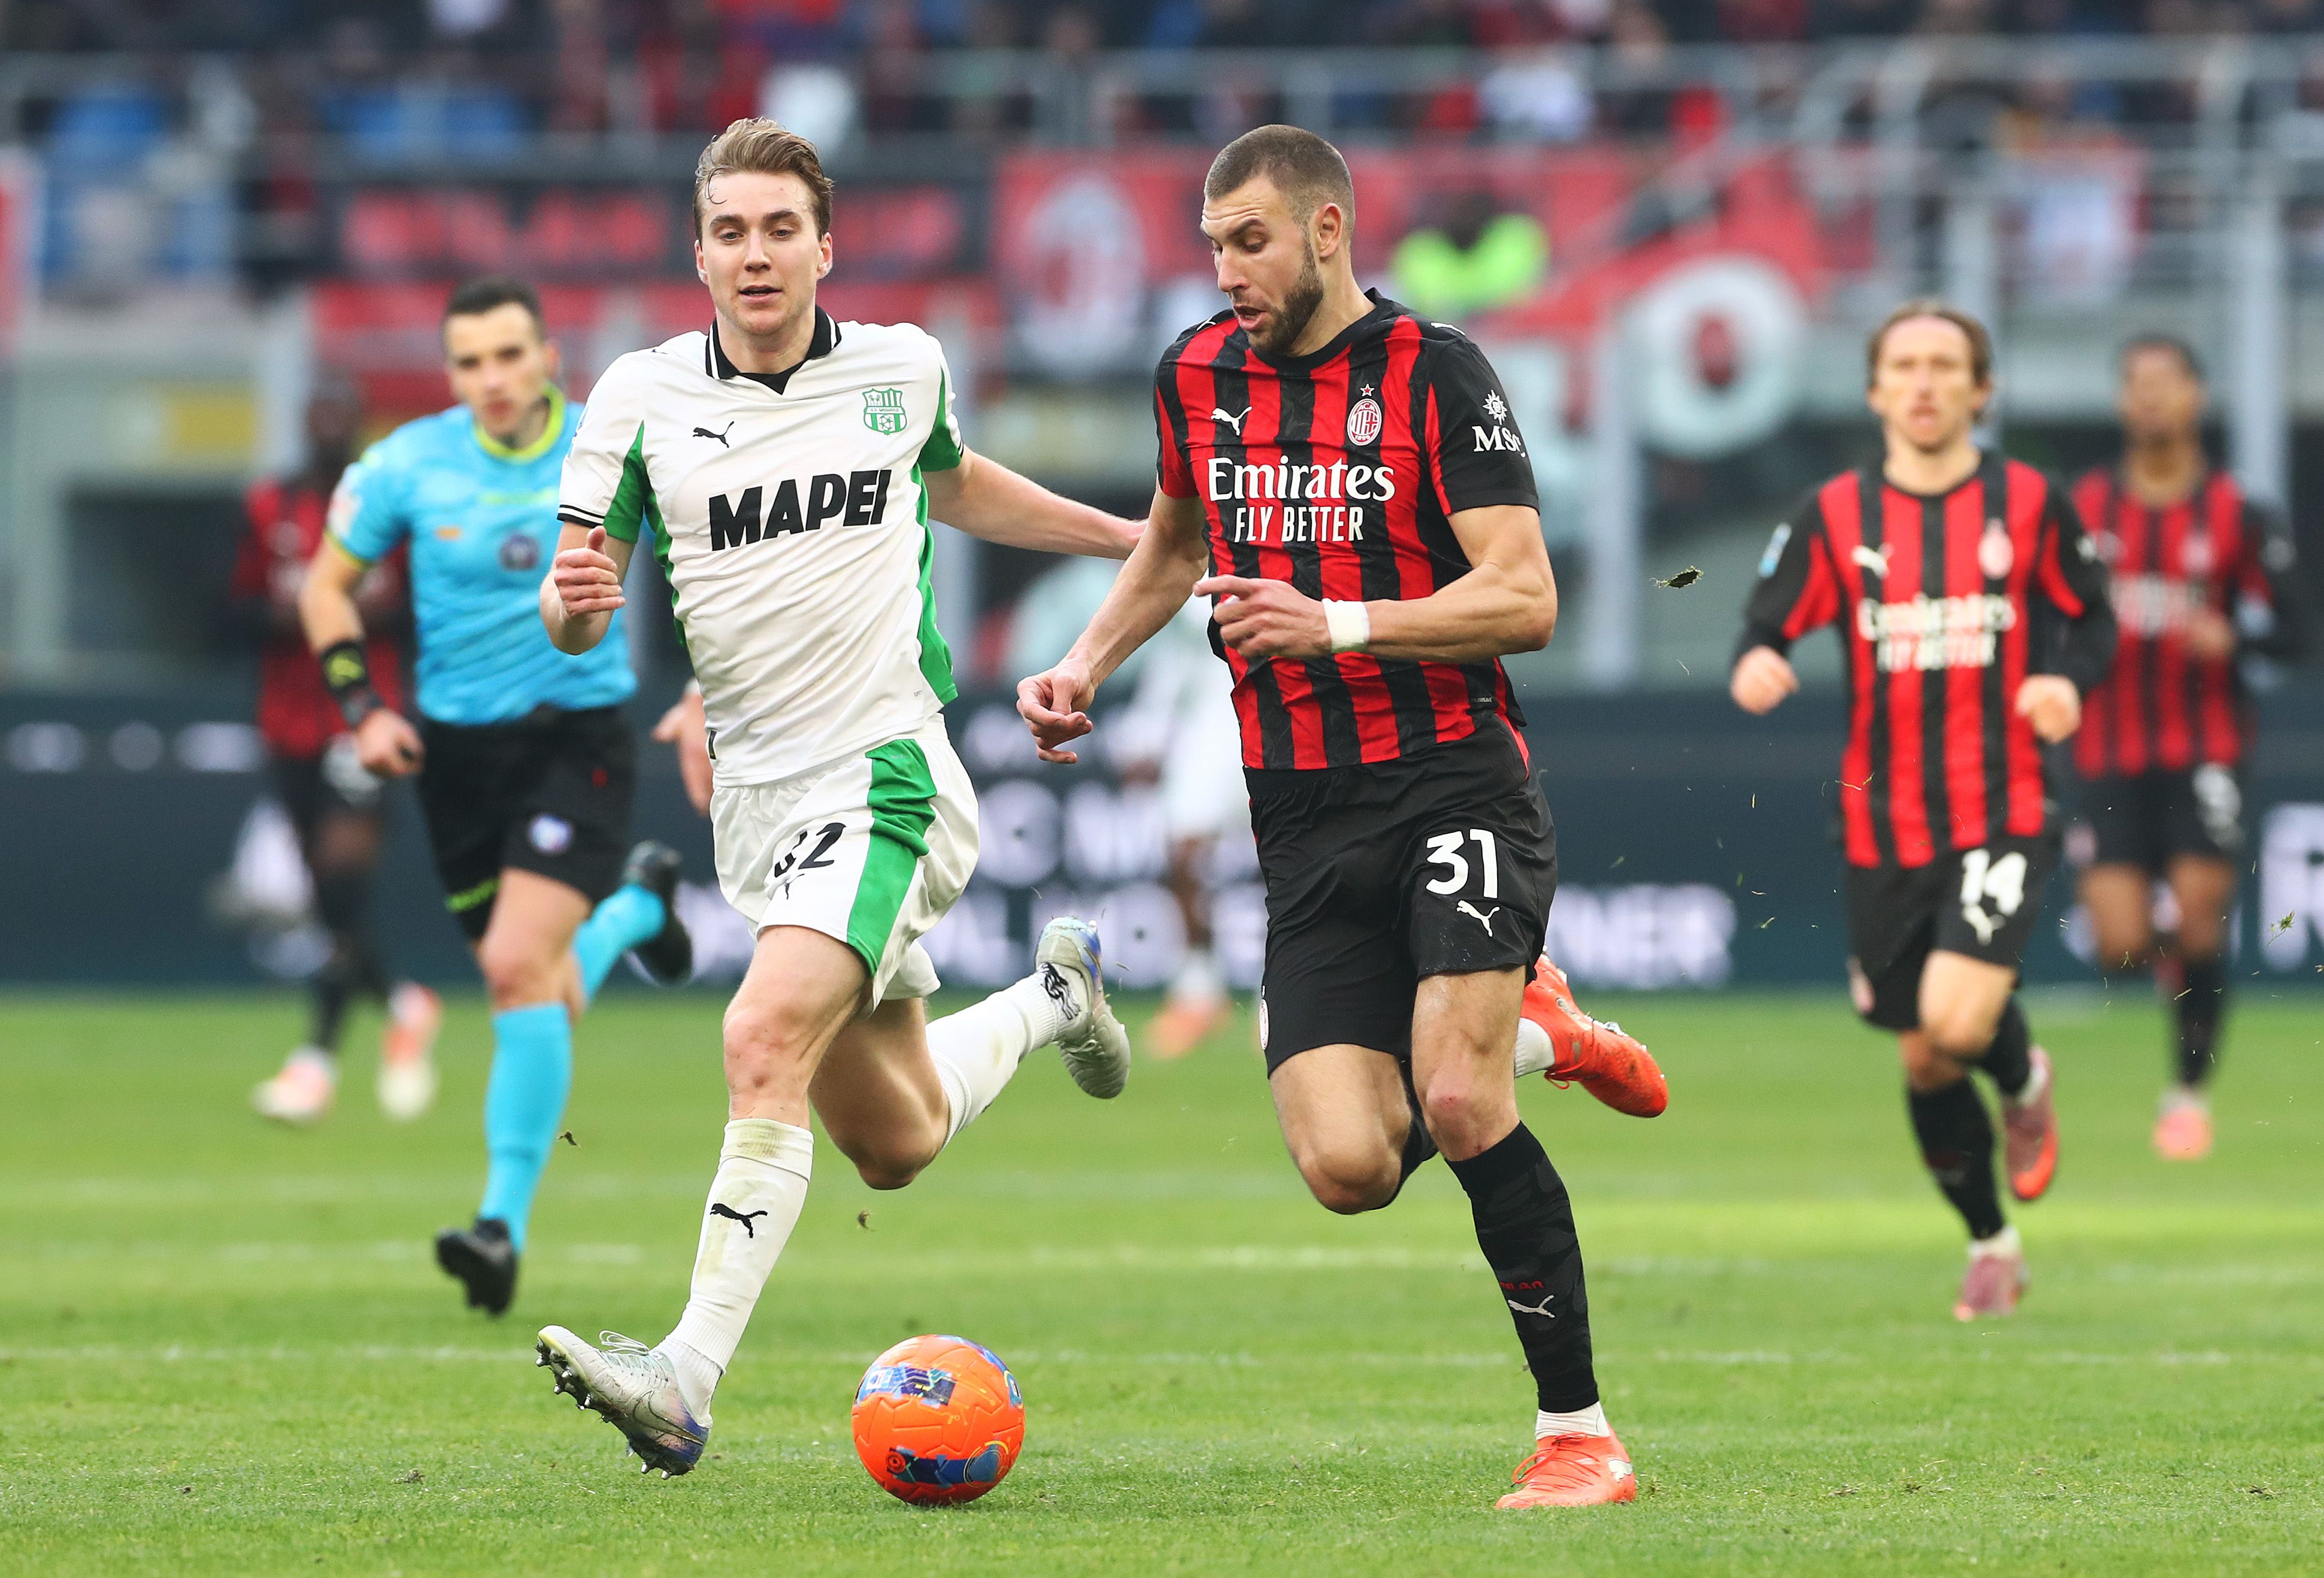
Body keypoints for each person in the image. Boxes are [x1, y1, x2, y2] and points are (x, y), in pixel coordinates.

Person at [1019, 125, 1668, 1512]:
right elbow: (1178, 542)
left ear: (1326, 232)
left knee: (1454, 1090)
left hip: (1450, 773)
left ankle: (1580, 1435)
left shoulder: (1438, 373)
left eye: (1249, 241)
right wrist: (1085, 662)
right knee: (1347, 1162)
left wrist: (1342, 623)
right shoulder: (1196, 373)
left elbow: (1526, 596)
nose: (1226, 271)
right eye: (1210, 247)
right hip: (1299, 813)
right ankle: (1545, 1020)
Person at [527, 119, 1149, 1477]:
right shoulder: (635, 396)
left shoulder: (899, 368)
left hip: (886, 772)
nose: (756, 253)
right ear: (697, 252)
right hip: (755, 806)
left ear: (825, 244)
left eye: (779, 228)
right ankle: (1056, 1000)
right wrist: (573, 608)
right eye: (731, 231)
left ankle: (682, 1375)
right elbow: (577, 597)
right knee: (895, 1138)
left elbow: (957, 481)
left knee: (762, 1037)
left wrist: (1130, 536)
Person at [299, 275, 695, 1317]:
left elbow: (713, 562)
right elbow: (323, 586)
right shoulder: (406, 465)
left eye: (509, 356)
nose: (492, 380)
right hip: (457, 763)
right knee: (542, 990)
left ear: (548, 355)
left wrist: (706, 689)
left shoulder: (612, 450)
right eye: (470, 362)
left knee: (517, 970)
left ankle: (498, 1230)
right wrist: (362, 710)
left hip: (580, 742)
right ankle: (641, 908)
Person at [1732, 298, 2115, 1322]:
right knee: (1924, 1050)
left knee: (1956, 1013)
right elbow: (1763, 621)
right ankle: (1992, 1242)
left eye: (1947, 365)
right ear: (1874, 391)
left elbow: (2093, 621)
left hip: (2005, 802)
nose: (1925, 382)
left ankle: (2024, 1080)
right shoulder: (1834, 517)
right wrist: (1761, 657)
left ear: (1980, 391)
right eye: (1905, 364)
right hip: (1881, 821)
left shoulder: (2031, 503)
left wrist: (2069, 683)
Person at [2068, 336, 2310, 1161]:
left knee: (2201, 921)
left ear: (2196, 399)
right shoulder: (2086, 509)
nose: (2151, 399)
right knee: (2118, 945)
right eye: (2136, 384)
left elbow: (2295, 633)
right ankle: (2176, 971)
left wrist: (2234, 634)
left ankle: (2186, 1097)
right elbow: (2046, 614)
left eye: (2166, 384)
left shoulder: (2239, 514)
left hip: (2205, 746)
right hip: (2105, 749)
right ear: (2120, 402)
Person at [241, 383, 444, 1125]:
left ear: (357, 428)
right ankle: (401, 1001)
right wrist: (291, 613)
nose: (327, 428)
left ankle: (315, 1060)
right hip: (286, 721)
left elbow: (430, 608)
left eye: (338, 417)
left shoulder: (389, 508)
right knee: (332, 906)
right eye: (315, 416)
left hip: (365, 718)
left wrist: (373, 615)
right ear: (302, 424)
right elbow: (224, 607)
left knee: (340, 876)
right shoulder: (269, 505)